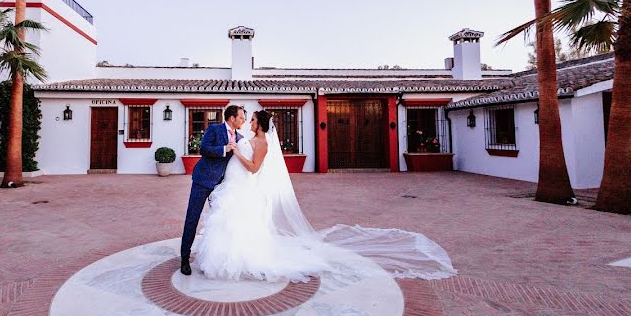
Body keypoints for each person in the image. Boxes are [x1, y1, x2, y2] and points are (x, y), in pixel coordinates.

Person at [191, 110, 457, 282]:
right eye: (245, 119)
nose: (248, 122)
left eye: (251, 120)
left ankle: (237, 260)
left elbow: (254, 169)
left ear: (259, 125)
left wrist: (236, 152)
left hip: (243, 187)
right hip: (232, 187)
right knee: (229, 223)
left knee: (238, 224)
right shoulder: (245, 137)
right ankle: (221, 257)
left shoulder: (262, 143)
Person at [179, 105, 245, 276]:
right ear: (232, 118)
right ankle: (184, 259)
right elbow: (204, 149)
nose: (243, 120)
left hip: (220, 186)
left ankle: (213, 259)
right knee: (192, 219)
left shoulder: (241, 138)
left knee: (217, 222)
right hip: (202, 181)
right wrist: (225, 149)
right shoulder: (215, 129)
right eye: (241, 117)